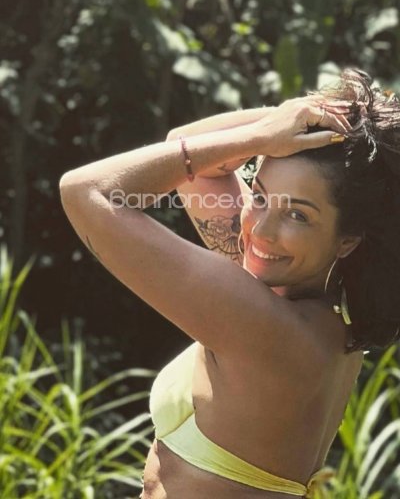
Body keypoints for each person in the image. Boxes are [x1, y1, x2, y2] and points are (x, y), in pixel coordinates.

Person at [59, 68, 400, 498]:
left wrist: (260, 137)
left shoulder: (265, 325)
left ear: (347, 240)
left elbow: (86, 192)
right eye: (259, 196)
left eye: (298, 215)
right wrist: (298, 119)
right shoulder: (315, 305)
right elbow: (188, 146)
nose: (260, 230)